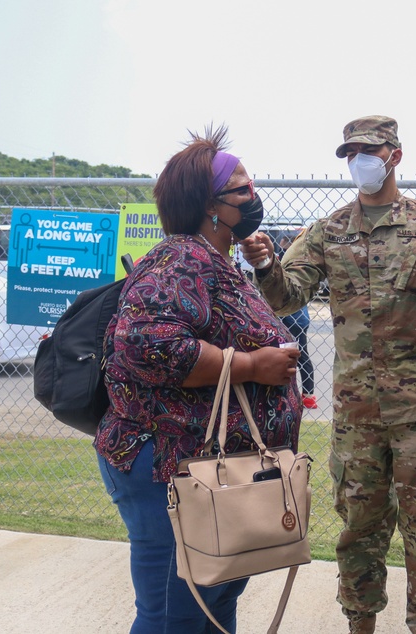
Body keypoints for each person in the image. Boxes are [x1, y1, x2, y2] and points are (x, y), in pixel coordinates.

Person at [241, 115, 416, 634]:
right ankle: (360, 625)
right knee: (359, 532)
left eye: (368, 150)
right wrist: (265, 265)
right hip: (358, 417)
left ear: (394, 156)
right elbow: (287, 296)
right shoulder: (329, 231)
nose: (359, 160)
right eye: (351, 152)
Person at [94, 125, 302, 633]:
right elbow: (148, 343)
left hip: (204, 474)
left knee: (211, 603)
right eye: (244, 190)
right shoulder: (180, 259)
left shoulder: (215, 261)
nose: (255, 198)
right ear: (211, 206)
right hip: (168, 470)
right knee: (176, 615)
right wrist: (253, 366)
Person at [277, 235, 318, 410]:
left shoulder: (284, 262)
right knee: (301, 357)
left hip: (293, 318)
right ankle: (307, 396)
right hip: (299, 318)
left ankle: (292, 395)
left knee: (289, 357)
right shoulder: (297, 261)